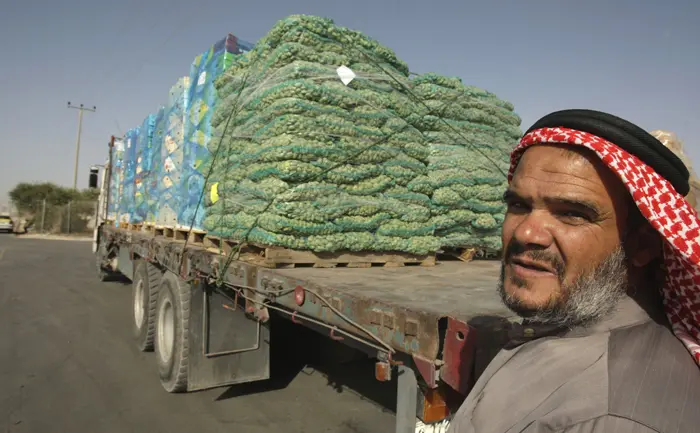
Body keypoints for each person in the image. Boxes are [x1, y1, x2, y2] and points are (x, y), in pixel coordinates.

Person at [449, 109, 700, 433]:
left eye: (571, 214)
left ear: (642, 245)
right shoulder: (565, 323)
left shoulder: (612, 417)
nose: (527, 233)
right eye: (519, 206)